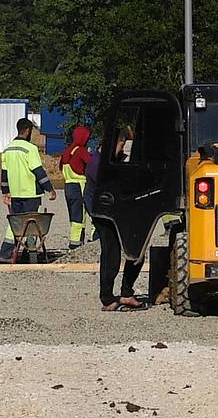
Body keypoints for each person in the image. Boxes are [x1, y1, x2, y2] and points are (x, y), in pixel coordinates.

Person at [85, 133, 145, 311]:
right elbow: (113, 186)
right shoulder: (97, 164)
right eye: (121, 145)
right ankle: (108, 298)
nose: (122, 150)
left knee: (136, 252)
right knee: (111, 254)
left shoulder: (109, 161)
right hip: (104, 214)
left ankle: (126, 293)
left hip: (116, 211)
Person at [0, 117, 56, 261]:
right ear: (28, 130)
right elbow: (38, 171)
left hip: (15, 194)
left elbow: (4, 174)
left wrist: (5, 192)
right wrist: (49, 188)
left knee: (16, 224)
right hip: (30, 193)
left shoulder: (7, 149)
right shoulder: (30, 149)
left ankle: (5, 253)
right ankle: (30, 255)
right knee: (31, 225)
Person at [59, 125, 93, 249]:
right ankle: (93, 241)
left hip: (68, 186)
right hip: (80, 186)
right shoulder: (81, 151)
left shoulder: (66, 151)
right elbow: (92, 164)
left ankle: (74, 243)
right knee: (87, 213)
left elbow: (60, 167)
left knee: (74, 217)